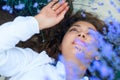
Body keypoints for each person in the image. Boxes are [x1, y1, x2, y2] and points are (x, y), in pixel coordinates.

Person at [0, 0, 106, 80]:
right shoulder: (34, 62)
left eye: (90, 34)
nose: (82, 34)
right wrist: (37, 22)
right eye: (74, 30)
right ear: (61, 45)